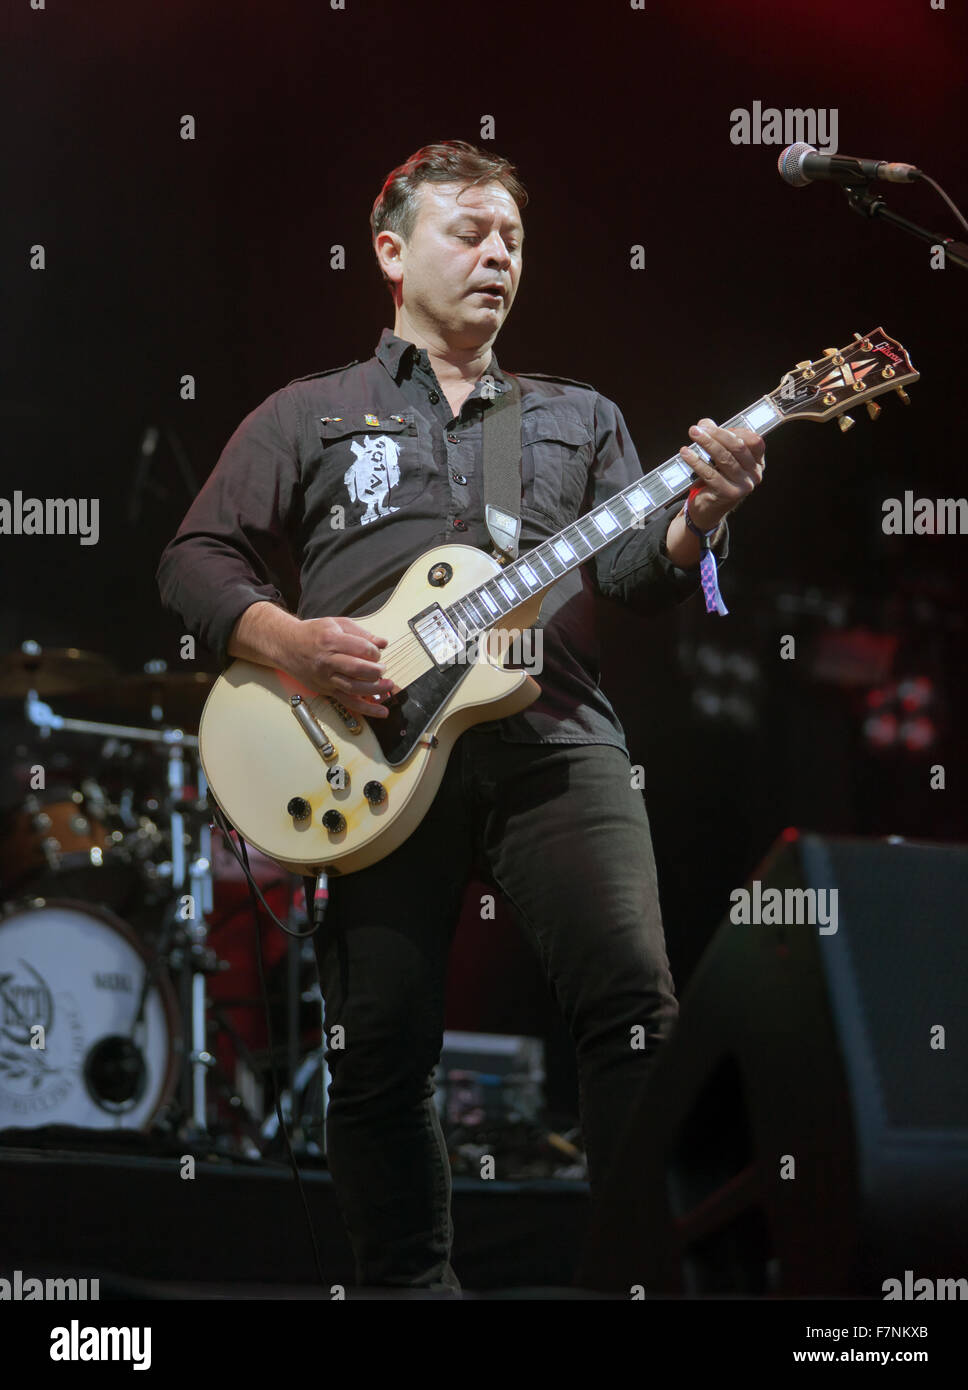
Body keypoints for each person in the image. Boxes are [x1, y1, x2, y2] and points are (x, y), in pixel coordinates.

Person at [157, 140, 766, 1293]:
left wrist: (701, 519)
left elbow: (636, 570)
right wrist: (291, 642)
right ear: (391, 252)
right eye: (470, 233)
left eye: (515, 241)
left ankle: (644, 1277)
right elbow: (192, 560)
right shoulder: (310, 413)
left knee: (637, 1004)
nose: (499, 255)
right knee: (380, 1049)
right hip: (370, 751)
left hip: (553, 735)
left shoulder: (578, 419)